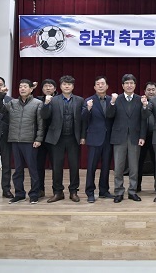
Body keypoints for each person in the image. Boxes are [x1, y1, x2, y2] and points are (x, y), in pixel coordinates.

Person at [0, 79, 43, 204]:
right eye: (20, 86)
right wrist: (1, 95)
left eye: (25, 86)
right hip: (15, 140)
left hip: (30, 141)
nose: (22, 89)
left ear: (31, 89)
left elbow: (41, 123)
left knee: (33, 169)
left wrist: (38, 139)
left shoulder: (37, 103)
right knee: (17, 170)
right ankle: (19, 193)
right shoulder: (12, 103)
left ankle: (34, 194)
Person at [41, 75, 84, 203]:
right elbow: (44, 116)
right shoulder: (53, 100)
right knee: (57, 167)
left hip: (73, 138)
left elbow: (83, 121)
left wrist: (82, 136)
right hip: (57, 139)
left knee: (74, 166)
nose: (67, 86)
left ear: (73, 86)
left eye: (69, 84)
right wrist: (46, 104)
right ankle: (58, 192)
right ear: (60, 86)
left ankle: (73, 191)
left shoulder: (80, 100)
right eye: (64, 84)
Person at [106, 74, 148, 203]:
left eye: (132, 83)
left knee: (134, 166)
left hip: (135, 137)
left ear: (135, 85)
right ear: (122, 85)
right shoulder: (116, 99)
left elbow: (144, 119)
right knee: (118, 167)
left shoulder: (139, 99)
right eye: (127, 83)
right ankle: (118, 191)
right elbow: (109, 115)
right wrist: (112, 103)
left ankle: (132, 191)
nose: (129, 85)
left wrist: (142, 136)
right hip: (119, 137)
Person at [81, 76, 114, 203]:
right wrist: (88, 109)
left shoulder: (112, 100)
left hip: (108, 138)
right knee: (91, 167)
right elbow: (83, 118)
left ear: (107, 86)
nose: (100, 86)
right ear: (94, 87)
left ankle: (104, 190)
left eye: (102, 84)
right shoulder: (89, 101)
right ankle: (90, 192)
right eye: (98, 84)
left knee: (106, 166)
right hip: (94, 138)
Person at [35, 79, 56, 198]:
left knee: (56, 166)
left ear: (55, 89)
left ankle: (56, 190)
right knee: (39, 165)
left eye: (50, 86)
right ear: (42, 89)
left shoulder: (58, 100)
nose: (48, 88)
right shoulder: (37, 100)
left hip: (54, 137)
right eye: (45, 86)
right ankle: (39, 189)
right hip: (40, 137)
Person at [137, 81, 156, 192]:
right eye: (148, 90)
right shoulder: (139, 102)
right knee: (139, 162)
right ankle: (137, 186)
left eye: (153, 89)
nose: (151, 92)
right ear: (144, 92)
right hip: (142, 137)